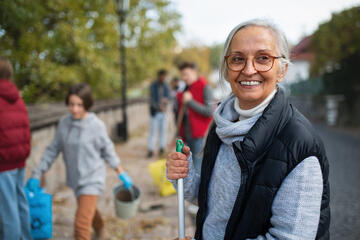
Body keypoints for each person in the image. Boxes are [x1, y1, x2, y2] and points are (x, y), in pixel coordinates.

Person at [167, 19, 330, 240]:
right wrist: (184, 175)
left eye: (263, 58)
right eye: (237, 59)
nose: (249, 69)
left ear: (282, 71)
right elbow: (213, 200)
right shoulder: (222, 125)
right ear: (226, 70)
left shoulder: (298, 144)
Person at [26, 83, 133, 240]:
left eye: (79, 105)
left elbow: (108, 150)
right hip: (76, 179)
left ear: (87, 104)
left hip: (92, 179)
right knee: (88, 209)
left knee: (81, 226)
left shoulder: (96, 126)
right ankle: (100, 228)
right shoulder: (64, 124)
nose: (75, 109)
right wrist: (37, 173)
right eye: (71, 104)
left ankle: (94, 231)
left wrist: (121, 172)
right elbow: (52, 150)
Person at [0, 57, 32, 239]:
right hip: (19, 160)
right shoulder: (17, 99)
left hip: (3, 163)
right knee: (21, 203)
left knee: (8, 211)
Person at [176, 62, 214, 174]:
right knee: (188, 166)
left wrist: (190, 101)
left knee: (197, 168)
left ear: (194, 72)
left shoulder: (205, 87)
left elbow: (209, 111)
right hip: (187, 135)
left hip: (200, 136)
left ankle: (198, 192)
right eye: (182, 75)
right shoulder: (187, 89)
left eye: (186, 74)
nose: (184, 78)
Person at [147, 69, 170, 158]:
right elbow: (151, 100)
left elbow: (169, 97)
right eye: (162, 76)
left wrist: (166, 101)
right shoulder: (153, 86)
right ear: (159, 76)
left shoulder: (166, 87)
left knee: (163, 132)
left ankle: (161, 148)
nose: (163, 78)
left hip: (163, 113)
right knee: (153, 132)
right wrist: (158, 106)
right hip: (155, 113)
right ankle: (151, 149)